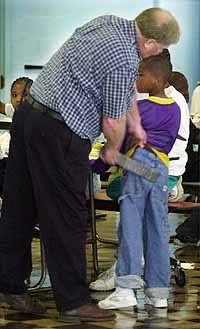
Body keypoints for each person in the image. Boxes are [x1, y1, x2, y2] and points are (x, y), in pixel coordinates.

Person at [0, 8, 180, 323]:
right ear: (150, 41)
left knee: (19, 206)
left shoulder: (108, 22)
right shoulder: (125, 60)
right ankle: (73, 300)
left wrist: (136, 130)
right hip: (60, 131)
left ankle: (10, 284)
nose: (162, 53)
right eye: (161, 47)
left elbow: (123, 100)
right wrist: (113, 150)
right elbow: (112, 120)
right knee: (67, 215)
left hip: (30, 116)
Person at [97, 53, 181, 310]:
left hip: (138, 165)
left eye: (140, 74)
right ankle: (158, 293)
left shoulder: (142, 109)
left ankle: (125, 288)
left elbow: (120, 143)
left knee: (130, 226)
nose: (136, 79)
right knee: (158, 228)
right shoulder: (176, 109)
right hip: (160, 172)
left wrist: (98, 163)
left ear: (156, 79)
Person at [0, 77, 33, 196]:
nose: (18, 99)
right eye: (14, 95)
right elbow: (2, 107)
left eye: (25, 95)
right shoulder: (15, 111)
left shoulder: (35, 117)